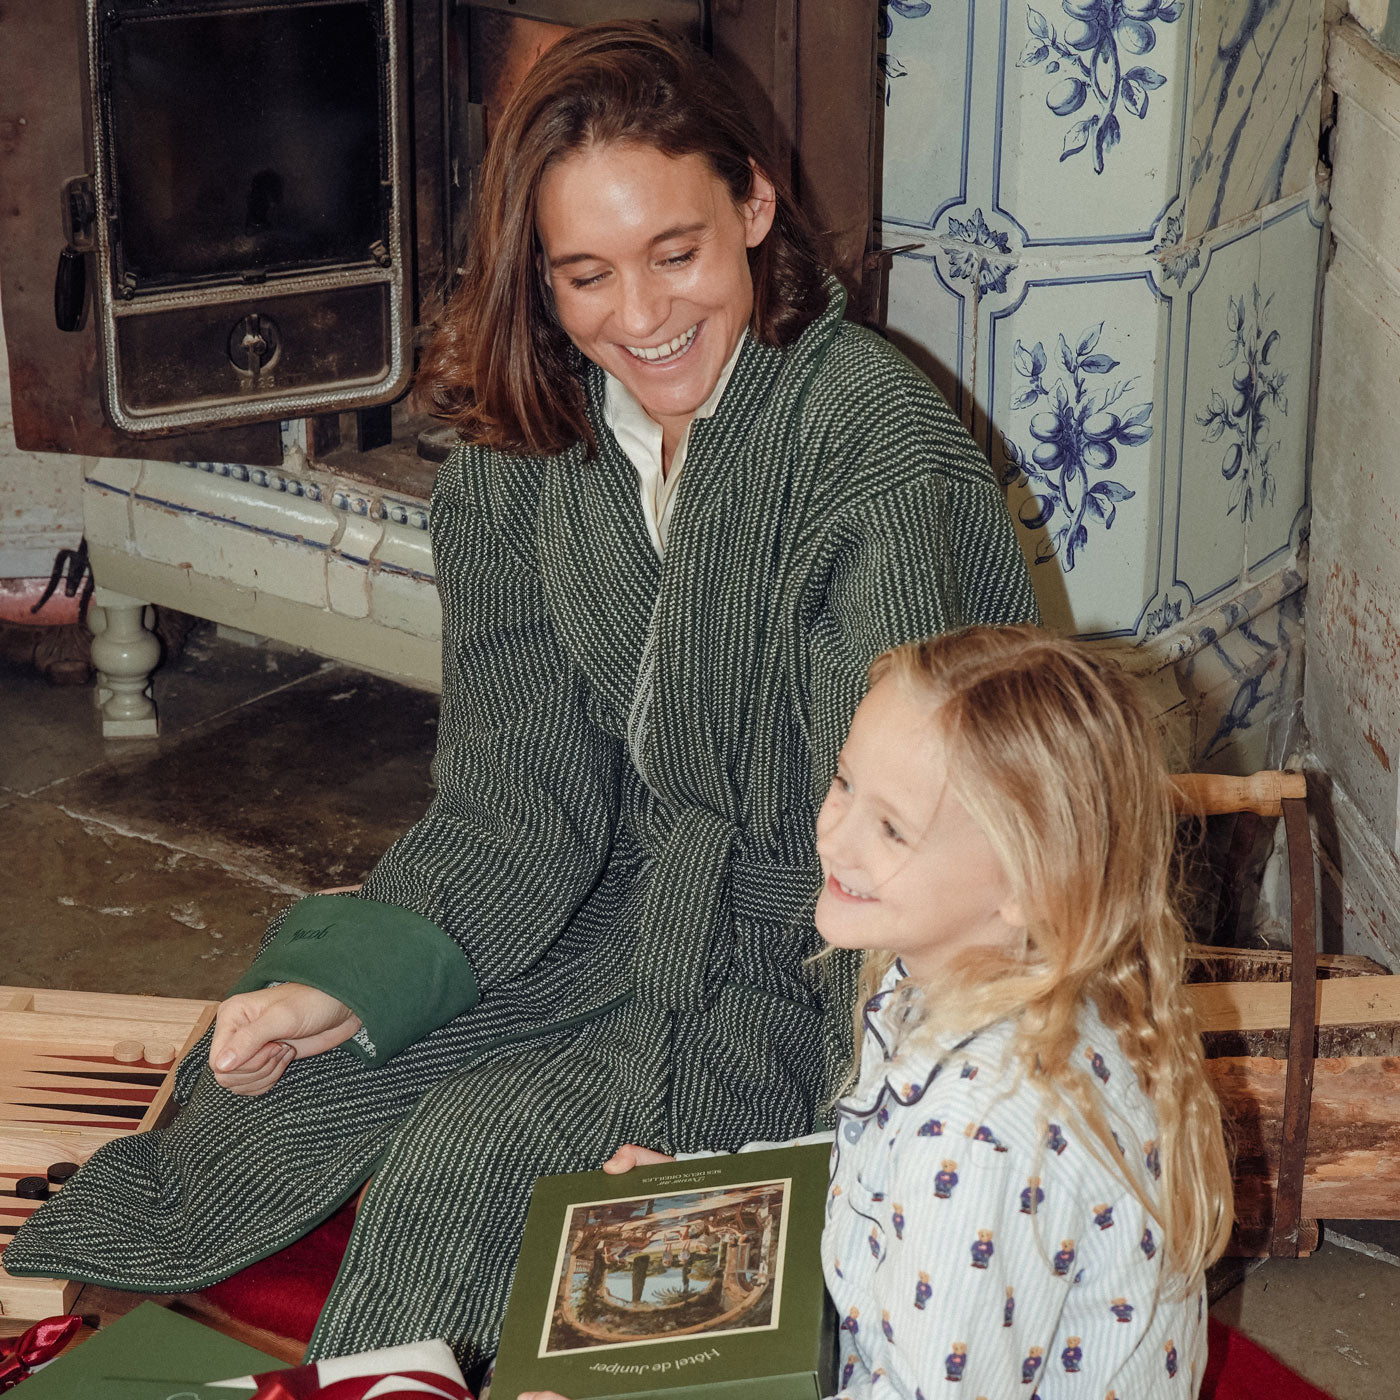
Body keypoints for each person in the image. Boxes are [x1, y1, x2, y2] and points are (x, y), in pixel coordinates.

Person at [3, 24, 1035, 1376]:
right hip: (611, 907)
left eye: (676, 253)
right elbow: (517, 799)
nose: (641, 318)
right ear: (539, 279)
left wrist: (843, 1129)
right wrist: (352, 991)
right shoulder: (526, 450)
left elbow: (946, 852)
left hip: (818, 955)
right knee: (276, 1085)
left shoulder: (874, 454)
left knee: (472, 1165)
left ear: (754, 206)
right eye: (586, 275)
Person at [534, 626, 1234, 1399]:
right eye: (843, 782)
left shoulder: (974, 1131)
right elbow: (874, 1163)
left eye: (893, 828)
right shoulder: (991, 978)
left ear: (1028, 884)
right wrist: (728, 1199)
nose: (835, 836)